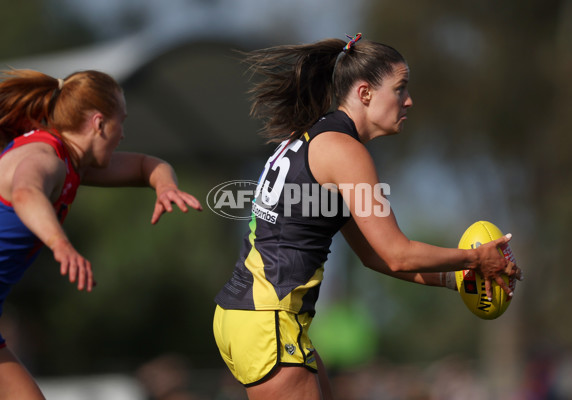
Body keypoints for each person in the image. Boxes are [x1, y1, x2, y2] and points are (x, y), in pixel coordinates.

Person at [212, 34, 522, 400]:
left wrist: (456, 280)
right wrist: (476, 257)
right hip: (268, 320)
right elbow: (398, 252)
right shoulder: (345, 152)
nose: (409, 100)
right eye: (400, 88)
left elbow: (374, 255)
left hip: (247, 315)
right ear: (365, 93)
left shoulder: (315, 138)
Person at [0, 69, 202, 399]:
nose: (122, 134)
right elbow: (25, 193)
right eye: (120, 121)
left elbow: (146, 165)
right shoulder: (46, 158)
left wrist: (165, 187)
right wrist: (60, 244)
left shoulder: (69, 161)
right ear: (99, 123)